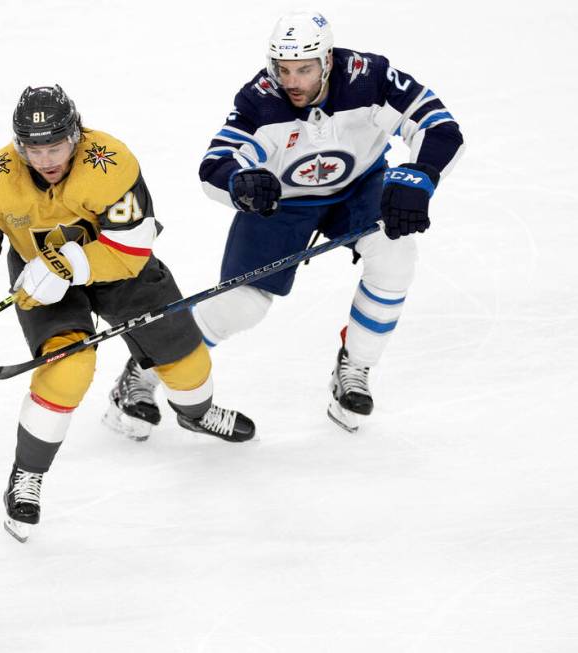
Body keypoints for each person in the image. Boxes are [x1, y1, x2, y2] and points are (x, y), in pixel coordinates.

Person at [0, 85, 254, 543]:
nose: (46, 159)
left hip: (117, 267)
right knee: (68, 366)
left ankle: (195, 414)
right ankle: (26, 475)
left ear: (76, 135)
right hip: (40, 275)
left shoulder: (111, 161)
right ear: (19, 146)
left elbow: (132, 248)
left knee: (189, 365)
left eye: (55, 146)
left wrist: (70, 264)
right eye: (34, 149)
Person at [106, 11, 464, 434]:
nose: (292, 81)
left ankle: (355, 368)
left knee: (396, 257)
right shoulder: (260, 99)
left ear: (328, 60)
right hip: (285, 202)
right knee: (240, 306)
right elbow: (215, 165)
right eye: (284, 69)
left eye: (304, 69)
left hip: (360, 187)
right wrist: (243, 182)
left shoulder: (371, 78)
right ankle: (141, 373)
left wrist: (419, 176)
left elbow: (439, 125)